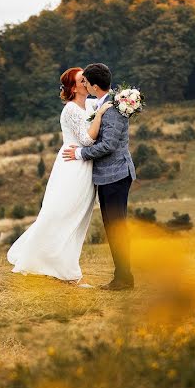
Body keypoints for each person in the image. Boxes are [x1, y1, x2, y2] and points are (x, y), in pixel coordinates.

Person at [7, 67, 112, 286]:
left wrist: (127, 100)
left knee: (78, 218)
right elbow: (86, 140)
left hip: (86, 167)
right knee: (59, 212)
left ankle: (63, 266)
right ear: (74, 87)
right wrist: (100, 116)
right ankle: (40, 260)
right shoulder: (71, 110)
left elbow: (105, 99)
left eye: (87, 78)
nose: (87, 81)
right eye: (82, 80)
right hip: (72, 166)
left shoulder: (91, 104)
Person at [62, 62, 136, 291]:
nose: (84, 84)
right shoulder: (105, 102)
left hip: (115, 175)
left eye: (86, 82)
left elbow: (108, 145)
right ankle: (123, 276)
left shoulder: (112, 108)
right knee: (115, 227)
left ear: (94, 86)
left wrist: (80, 153)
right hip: (109, 176)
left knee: (116, 227)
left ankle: (123, 279)